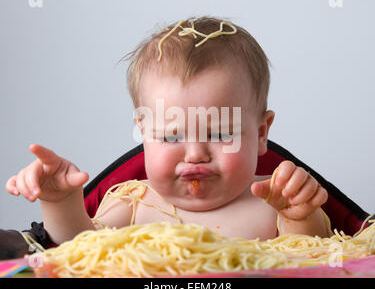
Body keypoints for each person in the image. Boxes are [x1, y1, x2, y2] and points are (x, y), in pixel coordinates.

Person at [5, 16, 331, 245]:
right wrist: (61, 202)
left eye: (219, 134)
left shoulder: (273, 203)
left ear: (261, 134)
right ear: (144, 133)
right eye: (171, 136)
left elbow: (320, 256)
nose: (194, 153)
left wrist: (301, 217)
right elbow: (78, 250)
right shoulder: (135, 204)